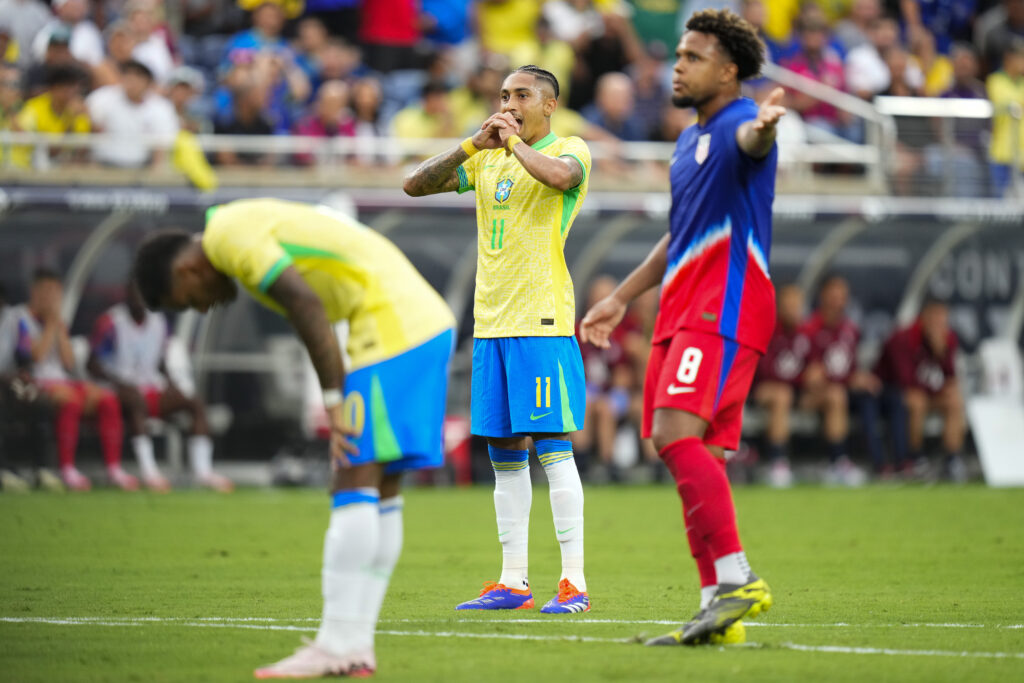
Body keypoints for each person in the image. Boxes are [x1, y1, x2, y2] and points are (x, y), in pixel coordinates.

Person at [132, 198, 455, 678]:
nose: (203, 306)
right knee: (381, 487)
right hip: (417, 321)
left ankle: (335, 643)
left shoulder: (225, 234)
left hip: (391, 327)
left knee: (353, 479)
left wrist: (332, 399)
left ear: (185, 268)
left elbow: (304, 303)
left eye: (189, 299)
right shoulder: (241, 229)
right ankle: (355, 646)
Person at [579, 9, 782, 645]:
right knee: (699, 455)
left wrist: (766, 131)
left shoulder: (738, 124)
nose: (678, 65)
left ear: (728, 70)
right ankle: (715, 611)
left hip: (724, 305)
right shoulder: (685, 144)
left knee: (672, 433)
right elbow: (680, 237)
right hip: (682, 309)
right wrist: (620, 297)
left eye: (692, 57)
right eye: (677, 55)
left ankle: (738, 578)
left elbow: (755, 143)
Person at [404, 65, 592, 614]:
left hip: (541, 323)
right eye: (505, 95)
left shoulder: (571, 147)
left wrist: (510, 145)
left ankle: (574, 583)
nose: (509, 103)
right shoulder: (485, 157)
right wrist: (472, 144)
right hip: (490, 324)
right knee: (504, 457)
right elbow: (414, 184)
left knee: (553, 449)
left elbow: (560, 178)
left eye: (522, 95)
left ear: (549, 104)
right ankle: (513, 582)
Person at [87, 281, 233, 492]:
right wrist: (118, 383)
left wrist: (172, 383)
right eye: (134, 293)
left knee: (194, 403)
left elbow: (160, 360)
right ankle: (149, 471)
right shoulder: (110, 322)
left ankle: (204, 472)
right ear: (126, 295)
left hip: (149, 387)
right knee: (136, 401)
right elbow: (92, 364)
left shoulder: (158, 321)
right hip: (118, 391)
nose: (139, 298)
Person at [14, 268, 138, 491]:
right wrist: (52, 324)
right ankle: (67, 468)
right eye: (46, 291)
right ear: (34, 292)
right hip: (32, 382)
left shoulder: (57, 321)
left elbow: (68, 363)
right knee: (70, 400)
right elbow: (35, 357)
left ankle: (113, 469)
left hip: (60, 380)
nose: (51, 298)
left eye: (55, 292)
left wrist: (57, 327)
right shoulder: (20, 318)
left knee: (107, 399)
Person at [874, 299, 966, 481]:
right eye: (935, 317)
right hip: (889, 394)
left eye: (943, 318)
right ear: (923, 317)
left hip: (927, 393)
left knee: (954, 400)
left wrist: (941, 353)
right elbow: (905, 381)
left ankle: (952, 460)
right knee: (916, 401)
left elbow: (950, 377)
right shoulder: (903, 338)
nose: (939, 323)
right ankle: (915, 458)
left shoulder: (948, 339)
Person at [750, 283, 811, 488]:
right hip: (761, 391)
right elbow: (767, 373)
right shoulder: (765, 330)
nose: (794, 308)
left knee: (836, 395)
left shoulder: (805, 334)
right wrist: (803, 377)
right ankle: (778, 463)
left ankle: (839, 461)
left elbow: (815, 366)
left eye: (797, 303)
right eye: (789, 303)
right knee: (781, 394)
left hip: (798, 391)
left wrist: (815, 377)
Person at [86, 59, 179, 168]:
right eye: (128, 75)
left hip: (141, 168)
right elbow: (86, 131)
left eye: (138, 76)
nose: (132, 81)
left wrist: (154, 177)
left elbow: (162, 147)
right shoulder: (101, 98)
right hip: (102, 165)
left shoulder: (161, 107)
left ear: (149, 82)